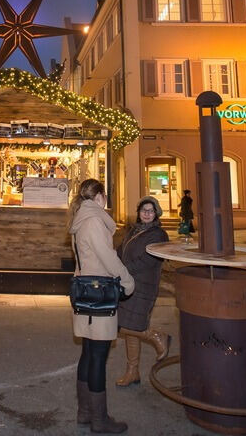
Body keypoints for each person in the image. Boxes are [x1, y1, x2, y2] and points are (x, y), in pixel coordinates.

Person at [69, 179, 134, 433]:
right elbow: (109, 258)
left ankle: (85, 412)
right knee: (97, 356)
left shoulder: (81, 220)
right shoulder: (94, 221)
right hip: (100, 295)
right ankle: (99, 419)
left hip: (85, 293)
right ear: (100, 196)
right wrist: (128, 281)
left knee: (88, 353)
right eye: (105, 196)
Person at [115, 196, 171, 387]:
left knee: (122, 324)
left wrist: (123, 269)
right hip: (128, 283)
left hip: (143, 285)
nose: (147, 213)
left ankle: (157, 336)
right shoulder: (133, 231)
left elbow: (149, 260)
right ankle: (133, 372)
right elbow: (120, 250)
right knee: (130, 329)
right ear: (138, 212)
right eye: (143, 210)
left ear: (156, 214)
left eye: (151, 210)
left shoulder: (159, 234)